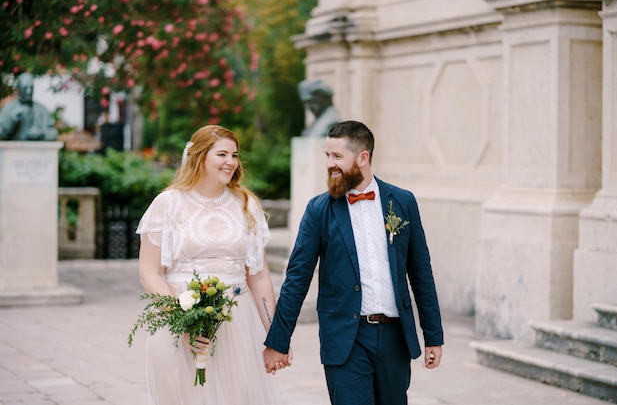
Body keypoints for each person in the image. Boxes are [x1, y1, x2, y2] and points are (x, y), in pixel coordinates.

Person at [263, 120, 444, 405]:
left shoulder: (403, 201)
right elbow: (297, 279)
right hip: (346, 339)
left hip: (395, 338)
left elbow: (421, 272)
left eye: (337, 157)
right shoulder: (318, 210)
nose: (329, 164)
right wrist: (277, 341)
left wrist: (433, 334)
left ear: (363, 157)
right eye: (327, 156)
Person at [136, 125, 286, 404]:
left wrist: (275, 335)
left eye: (235, 155)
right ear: (199, 157)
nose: (231, 162)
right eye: (222, 154)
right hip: (177, 316)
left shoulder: (246, 204)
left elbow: (260, 275)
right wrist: (182, 323)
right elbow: (150, 272)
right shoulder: (167, 203)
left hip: (236, 321)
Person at [0, 72, 58, 141]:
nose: (29, 91)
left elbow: (53, 133)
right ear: (18, 88)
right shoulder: (8, 109)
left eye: (31, 88)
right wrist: (12, 120)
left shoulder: (41, 110)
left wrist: (40, 133)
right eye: (25, 88)